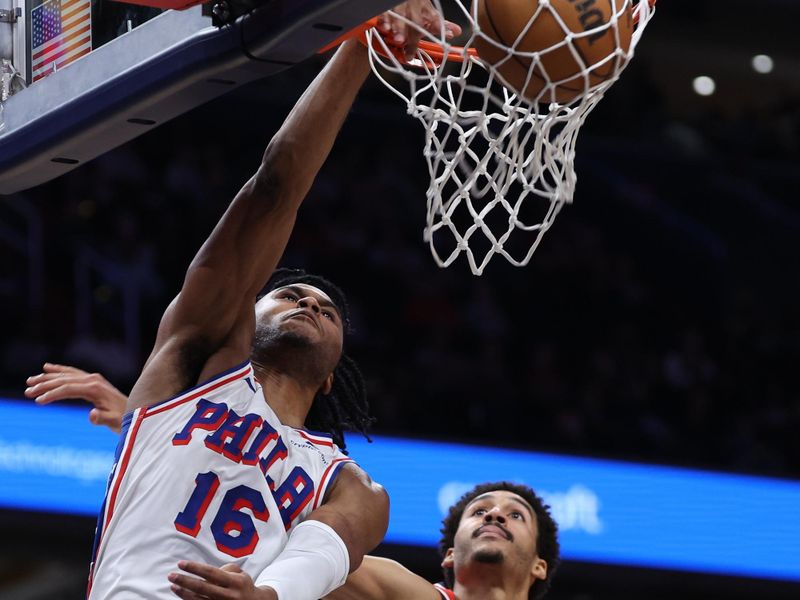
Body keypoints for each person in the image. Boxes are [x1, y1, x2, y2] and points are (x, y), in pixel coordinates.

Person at [25, 4, 461, 598]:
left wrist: (271, 596)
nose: (308, 304)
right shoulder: (193, 366)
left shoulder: (350, 485)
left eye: (326, 310)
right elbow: (274, 189)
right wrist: (362, 44)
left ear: (333, 376)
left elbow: (329, 541)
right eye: (287, 295)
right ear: (244, 317)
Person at [27, 368, 560, 600]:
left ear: (539, 564)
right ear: (448, 557)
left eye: (514, 514)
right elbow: (276, 527)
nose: (493, 516)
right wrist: (151, 424)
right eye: (481, 510)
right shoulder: (404, 591)